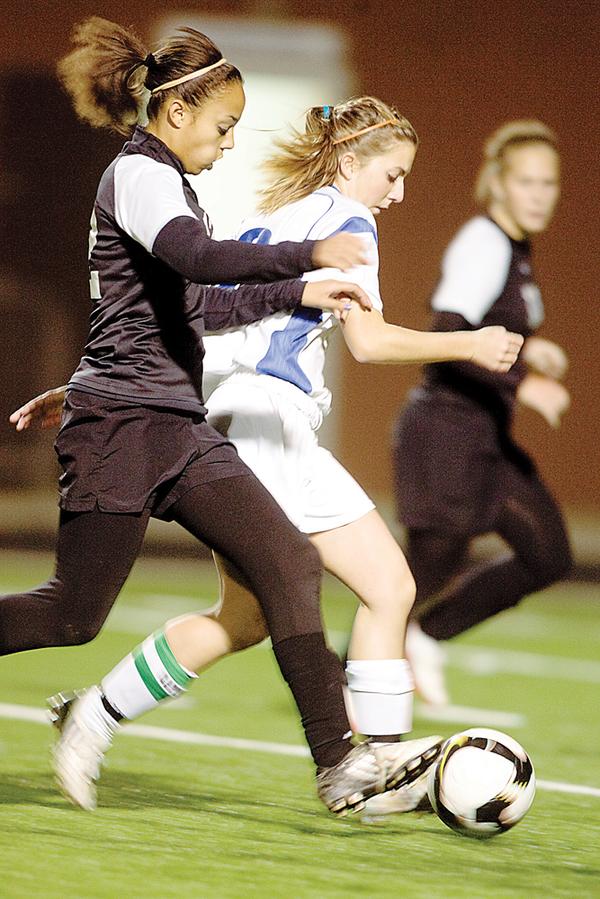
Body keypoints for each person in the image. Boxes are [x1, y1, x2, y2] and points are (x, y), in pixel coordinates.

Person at [13, 94, 523, 819]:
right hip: (265, 423)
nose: (399, 192)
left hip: (249, 418)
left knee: (304, 605)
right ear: (351, 163)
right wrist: (468, 344)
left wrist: (92, 385)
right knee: (336, 588)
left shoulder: (278, 220)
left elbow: (198, 323)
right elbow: (371, 343)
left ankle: (99, 710)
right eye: (393, 174)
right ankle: (364, 771)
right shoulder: (348, 225)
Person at [392, 120, 572, 706]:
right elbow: (447, 330)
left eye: (549, 182)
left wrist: (528, 346)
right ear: (497, 182)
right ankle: (349, 677)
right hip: (444, 430)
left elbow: (487, 326)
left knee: (547, 554)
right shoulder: (484, 240)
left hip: (482, 435)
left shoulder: (516, 247)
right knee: (415, 577)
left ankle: (426, 637)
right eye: (527, 181)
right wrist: (523, 383)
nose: (541, 194)